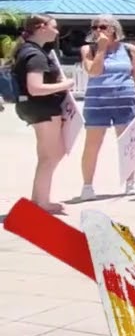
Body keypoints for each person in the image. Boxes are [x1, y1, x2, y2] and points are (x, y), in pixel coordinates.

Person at [10, 14, 74, 214]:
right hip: (42, 107)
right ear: (41, 27)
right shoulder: (35, 55)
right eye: (54, 27)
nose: (57, 31)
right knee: (50, 155)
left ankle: (38, 198)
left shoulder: (26, 50)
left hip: (32, 107)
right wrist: (66, 84)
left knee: (48, 154)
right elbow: (35, 87)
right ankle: (42, 202)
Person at [78, 15, 135, 198]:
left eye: (102, 27)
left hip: (125, 100)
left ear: (113, 29)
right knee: (92, 144)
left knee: (127, 143)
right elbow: (94, 72)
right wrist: (101, 49)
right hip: (97, 102)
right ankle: (87, 186)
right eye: (95, 27)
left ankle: (130, 181)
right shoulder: (88, 49)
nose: (98, 31)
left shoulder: (129, 49)